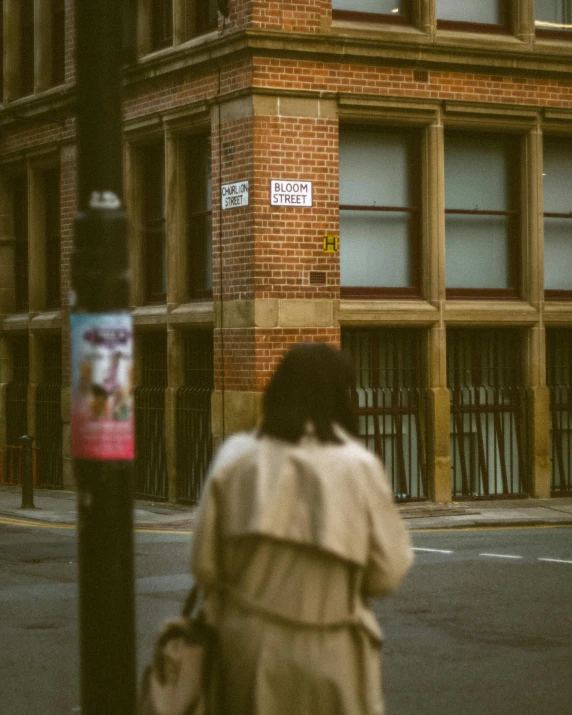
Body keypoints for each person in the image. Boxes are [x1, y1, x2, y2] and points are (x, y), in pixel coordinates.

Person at [191, 342, 414, 715]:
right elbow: (386, 574)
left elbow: (205, 566)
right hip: (332, 649)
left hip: (248, 645)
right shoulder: (359, 467)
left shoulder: (237, 457)